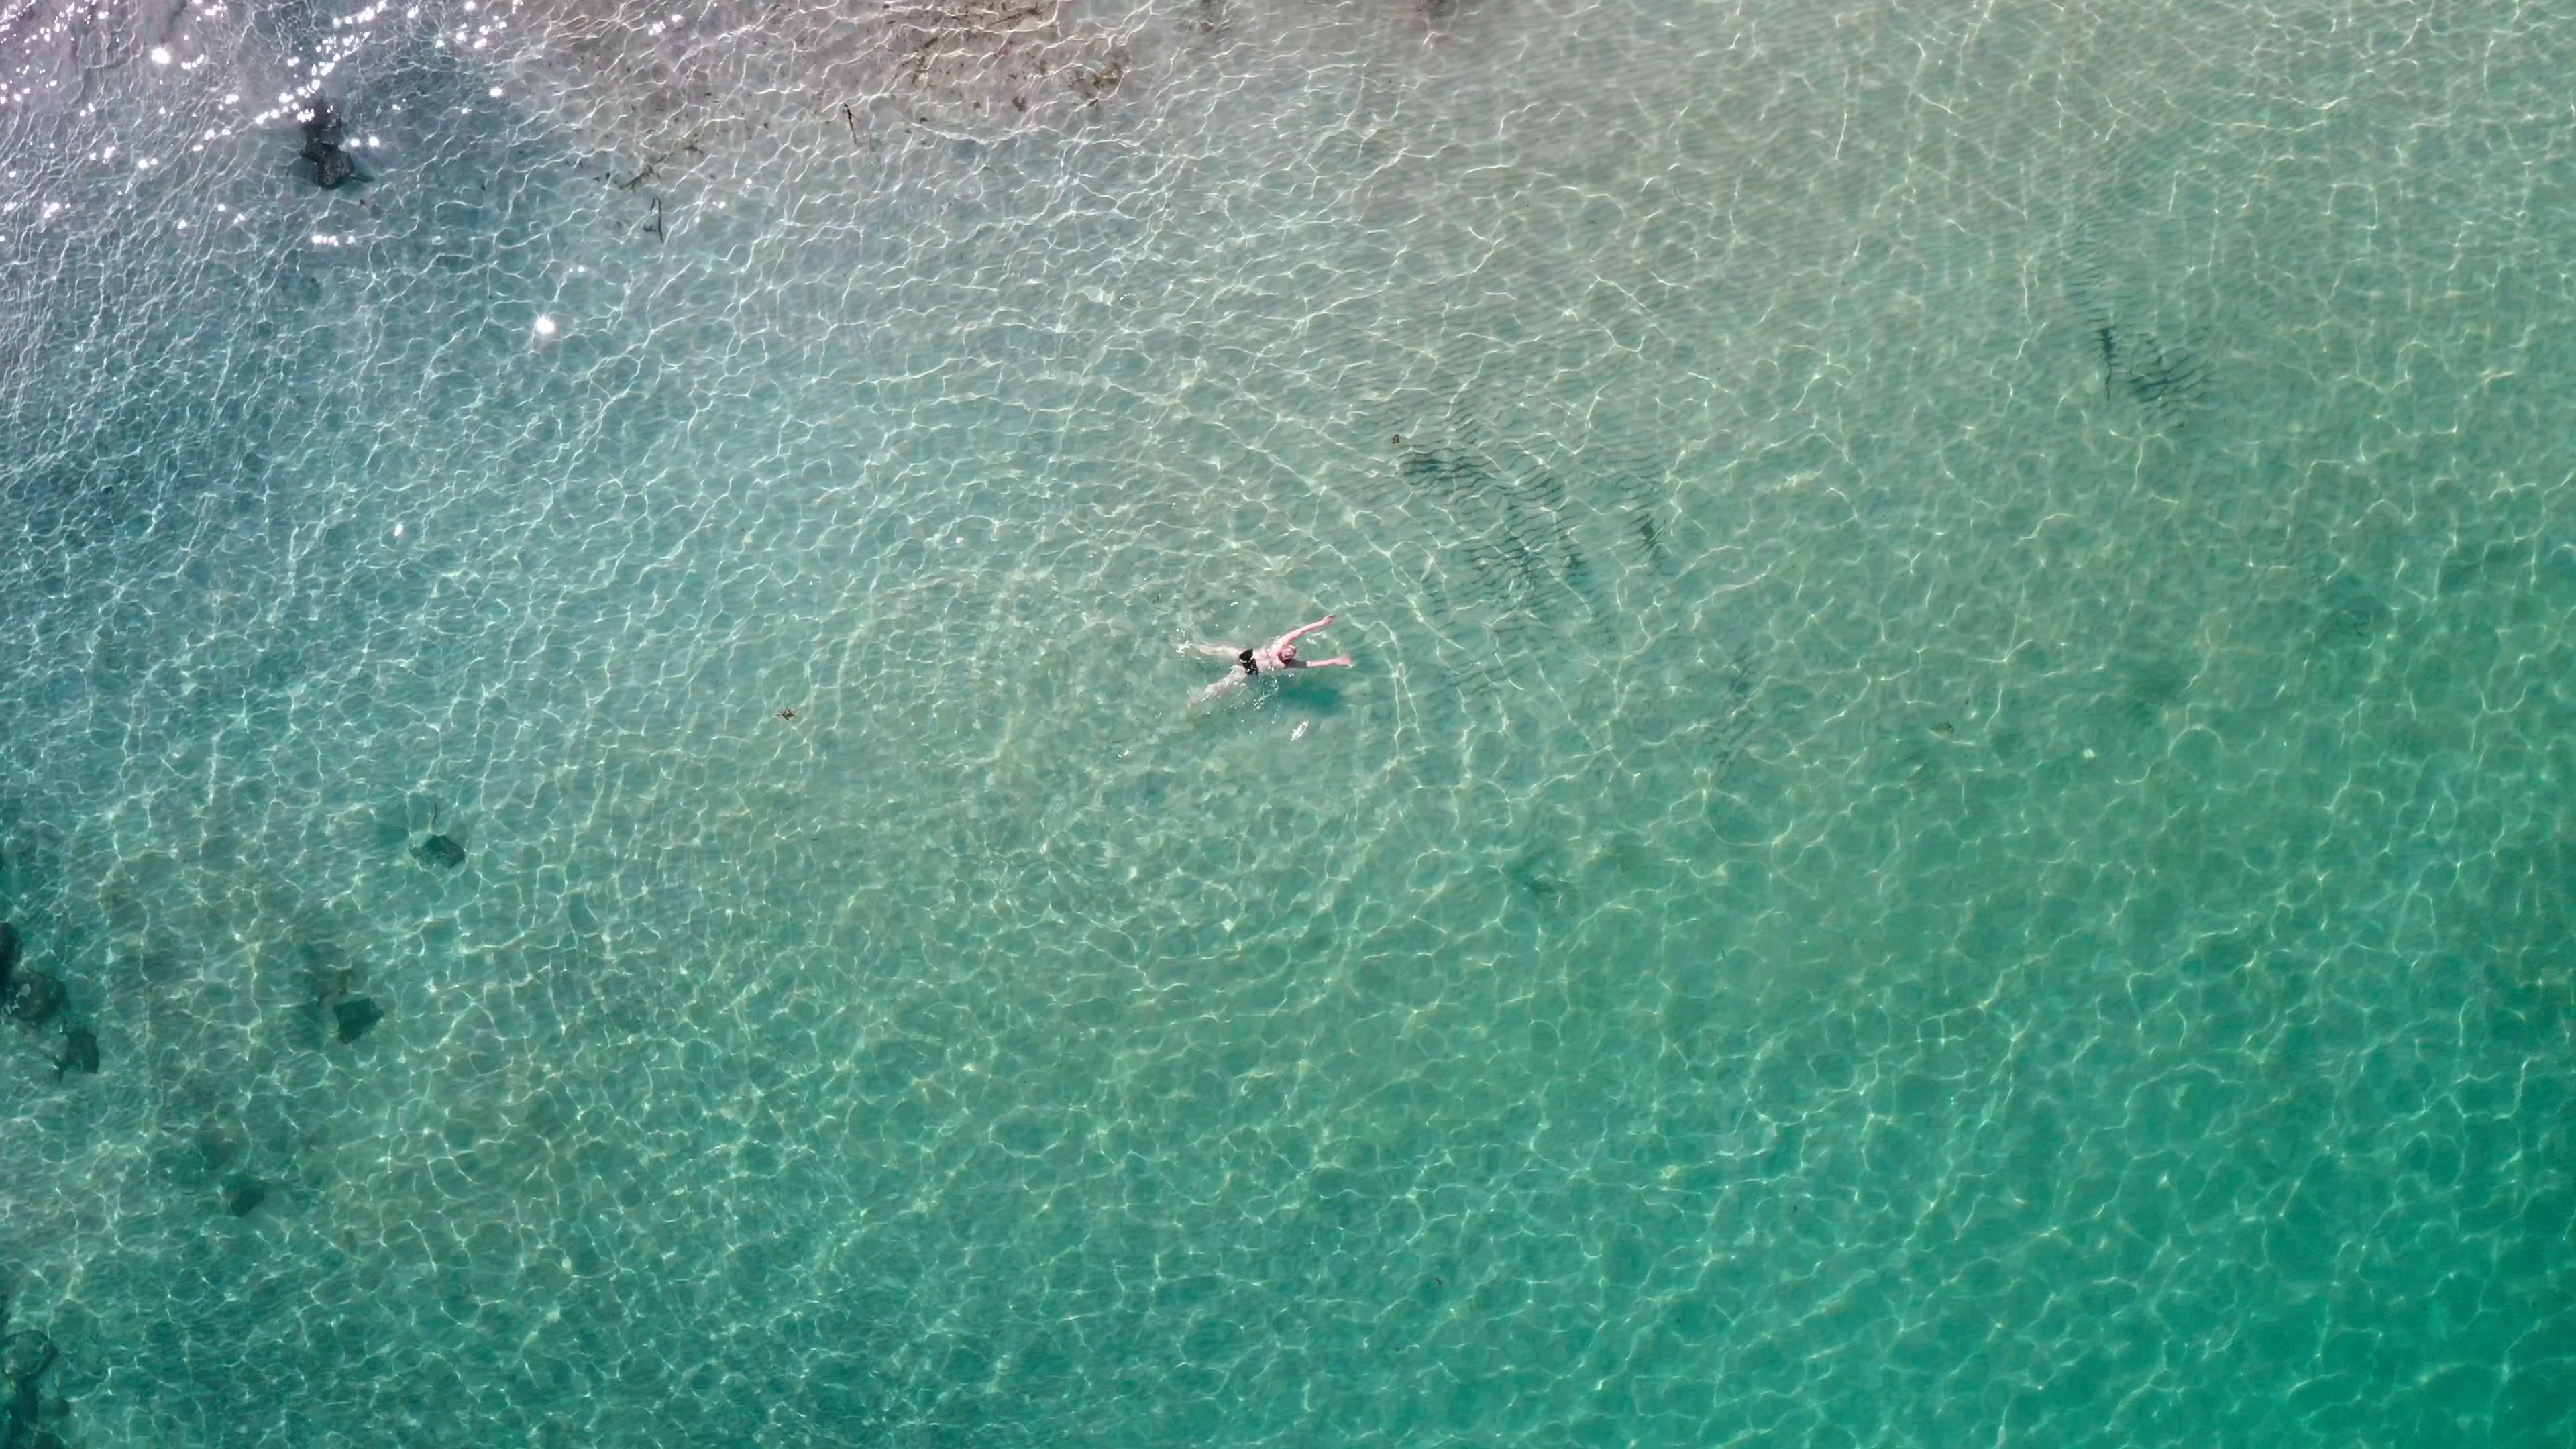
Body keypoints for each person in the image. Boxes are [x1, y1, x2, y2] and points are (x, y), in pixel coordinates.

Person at [1184, 614, 1352, 702]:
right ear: (1286, 647)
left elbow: (1313, 664)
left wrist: (1336, 661)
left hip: (1249, 670)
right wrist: (1321, 623)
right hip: (1247, 655)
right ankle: (1189, 649)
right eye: (1290, 649)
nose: (1290, 652)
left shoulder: (1290, 664)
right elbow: (1300, 631)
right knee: (1218, 650)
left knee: (1223, 685)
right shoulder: (1280, 644)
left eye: (1291, 653)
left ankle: (1198, 699)